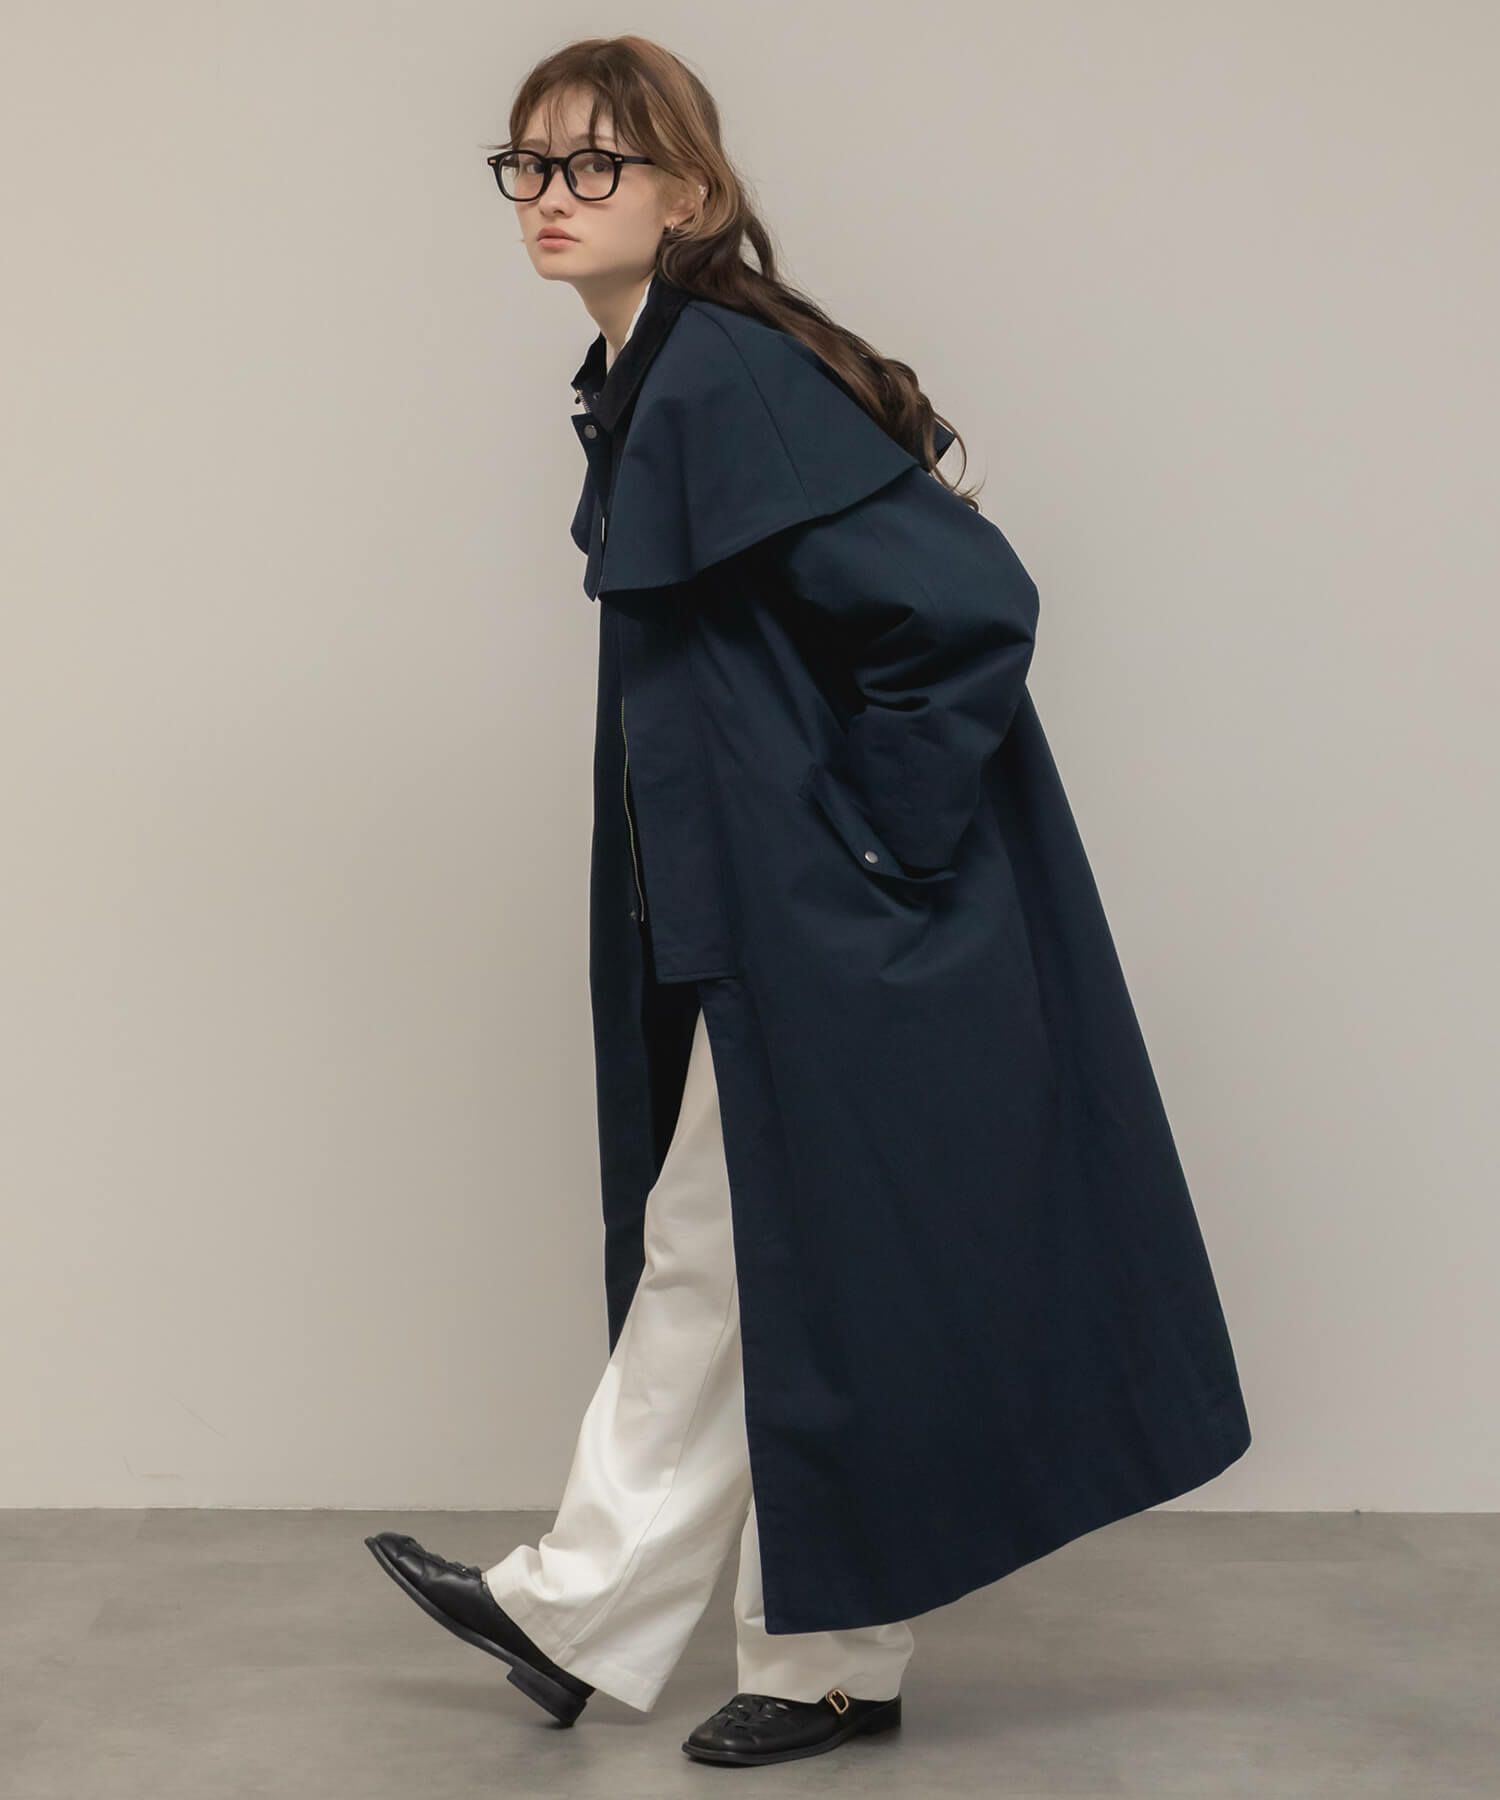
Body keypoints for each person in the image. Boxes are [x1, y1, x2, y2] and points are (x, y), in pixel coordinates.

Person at [367, 33, 1252, 1772]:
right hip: (769, 915)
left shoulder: (727, 376)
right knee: (768, 1264)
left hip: (835, 923)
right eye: (527, 165)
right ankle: (787, 1650)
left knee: (741, 1252)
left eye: (594, 165)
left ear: (688, 194)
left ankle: (608, 1612)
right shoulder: (658, 371)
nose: (550, 196)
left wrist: (867, 849)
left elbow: (969, 606)